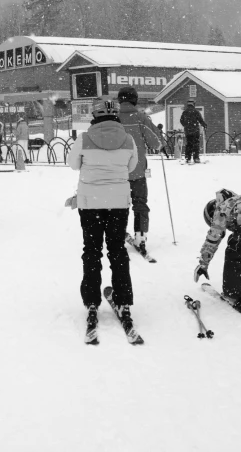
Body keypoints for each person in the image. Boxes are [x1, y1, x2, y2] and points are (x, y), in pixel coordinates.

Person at [67, 98, 138, 340]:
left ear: (94, 117)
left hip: (91, 203)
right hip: (119, 203)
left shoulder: (84, 138)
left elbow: (72, 164)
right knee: (117, 250)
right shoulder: (128, 139)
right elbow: (132, 166)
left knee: (92, 250)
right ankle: (123, 298)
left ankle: (91, 300)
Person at [117, 86, 161, 255]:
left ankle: (117, 231)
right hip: (137, 172)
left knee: (119, 204)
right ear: (134, 100)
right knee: (140, 203)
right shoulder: (141, 118)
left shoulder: (113, 119)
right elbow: (156, 142)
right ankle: (140, 236)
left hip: (116, 172)